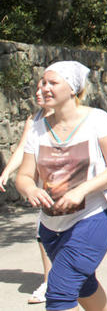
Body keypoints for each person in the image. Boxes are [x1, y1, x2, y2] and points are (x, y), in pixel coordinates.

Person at [16, 61, 107, 311]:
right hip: (51, 228)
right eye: (42, 82)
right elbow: (23, 176)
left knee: (59, 293)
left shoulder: (98, 120)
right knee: (84, 286)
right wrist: (31, 189)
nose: (44, 87)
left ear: (73, 89)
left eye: (52, 83)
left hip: (92, 219)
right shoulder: (37, 129)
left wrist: (82, 190)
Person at [1, 79, 54, 304]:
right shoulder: (33, 119)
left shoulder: (72, 118)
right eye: (36, 89)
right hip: (43, 186)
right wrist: (7, 172)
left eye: (42, 89)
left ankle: (68, 277)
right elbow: (23, 148)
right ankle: (50, 280)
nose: (37, 93)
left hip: (68, 183)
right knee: (44, 233)